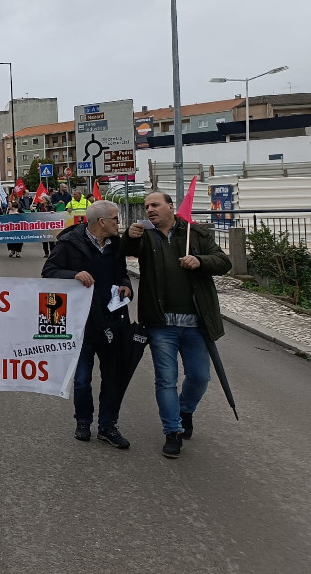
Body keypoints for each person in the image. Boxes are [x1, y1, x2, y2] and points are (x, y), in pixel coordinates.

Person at [122, 191, 231, 458]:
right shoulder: (145, 236)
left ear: (171, 207)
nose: (149, 210)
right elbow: (124, 253)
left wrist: (200, 261)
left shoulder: (196, 234)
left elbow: (224, 262)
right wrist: (129, 236)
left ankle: (185, 411)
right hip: (161, 323)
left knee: (199, 377)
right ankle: (173, 432)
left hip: (196, 324)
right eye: (147, 206)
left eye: (155, 205)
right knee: (166, 380)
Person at [43, 200, 134, 449]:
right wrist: (73, 275)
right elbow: (48, 273)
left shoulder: (116, 246)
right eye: (115, 218)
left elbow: (122, 273)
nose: (119, 223)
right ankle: (83, 421)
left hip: (111, 321)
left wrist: (126, 286)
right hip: (80, 323)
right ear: (101, 222)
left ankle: (107, 426)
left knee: (112, 377)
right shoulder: (68, 244)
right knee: (83, 379)